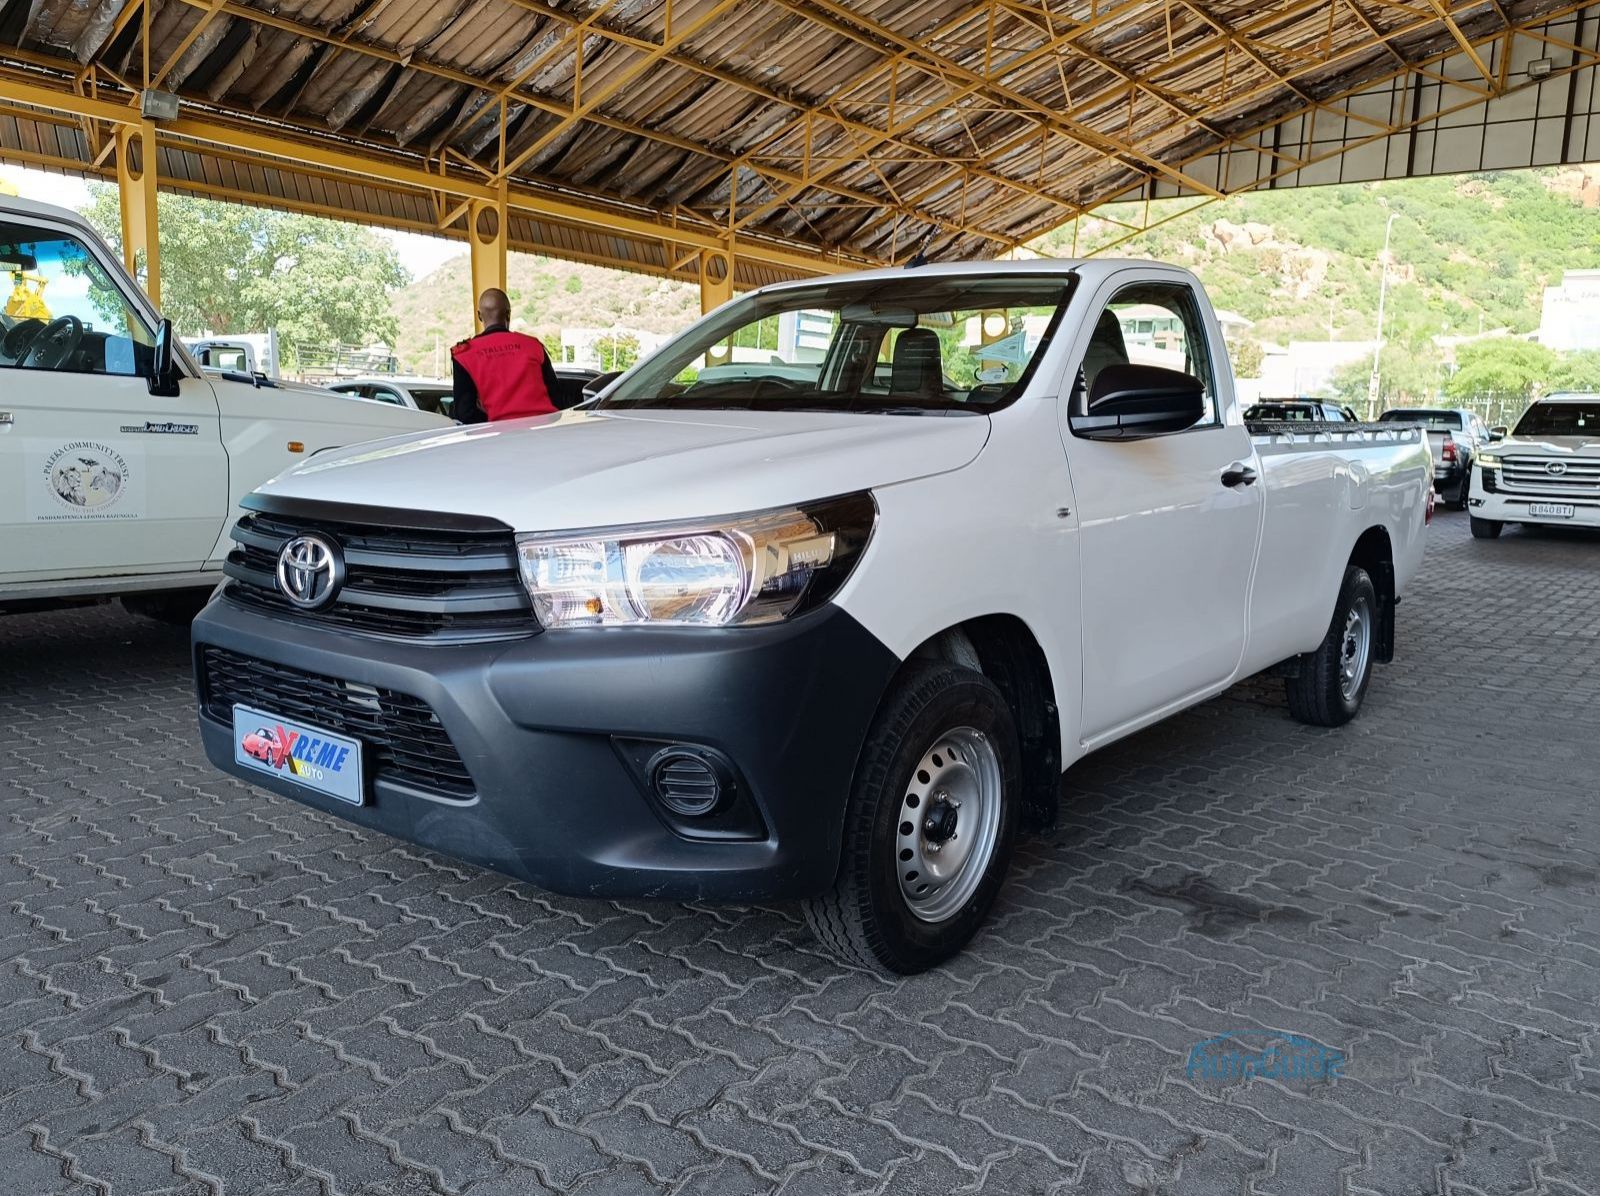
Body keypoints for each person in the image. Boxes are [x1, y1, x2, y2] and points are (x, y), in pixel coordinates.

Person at [450, 288, 561, 423]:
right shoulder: (533, 346)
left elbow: (465, 414)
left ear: (479, 316)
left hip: (497, 439)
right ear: (508, 314)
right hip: (543, 433)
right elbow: (556, 398)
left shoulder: (464, 355)